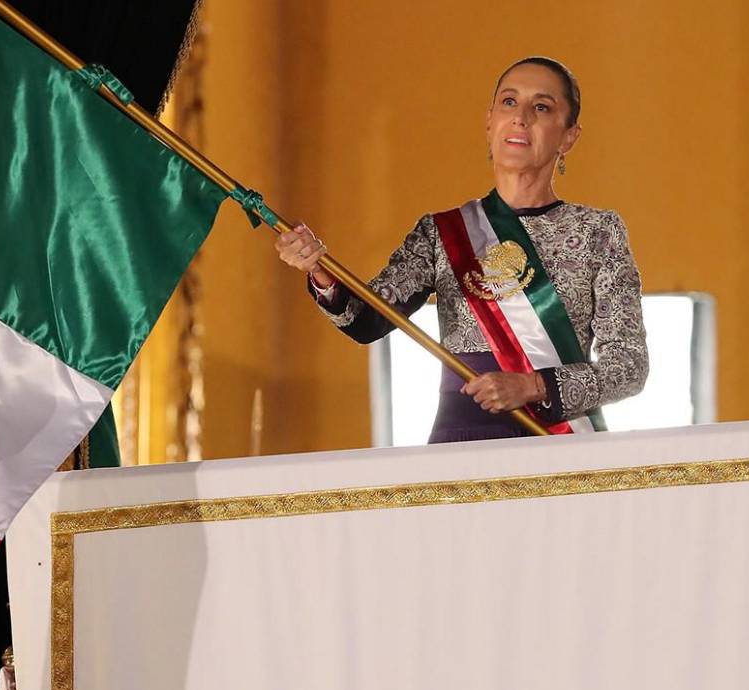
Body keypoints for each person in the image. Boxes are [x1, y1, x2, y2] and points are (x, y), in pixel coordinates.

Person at [275, 56, 648, 440]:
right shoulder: (442, 233)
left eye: (541, 107)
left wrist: (532, 387)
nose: (521, 117)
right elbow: (365, 320)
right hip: (464, 442)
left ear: (569, 136)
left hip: (560, 442)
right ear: (490, 122)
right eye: (509, 102)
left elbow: (629, 366)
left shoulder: (597, 232)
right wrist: (318, 270)